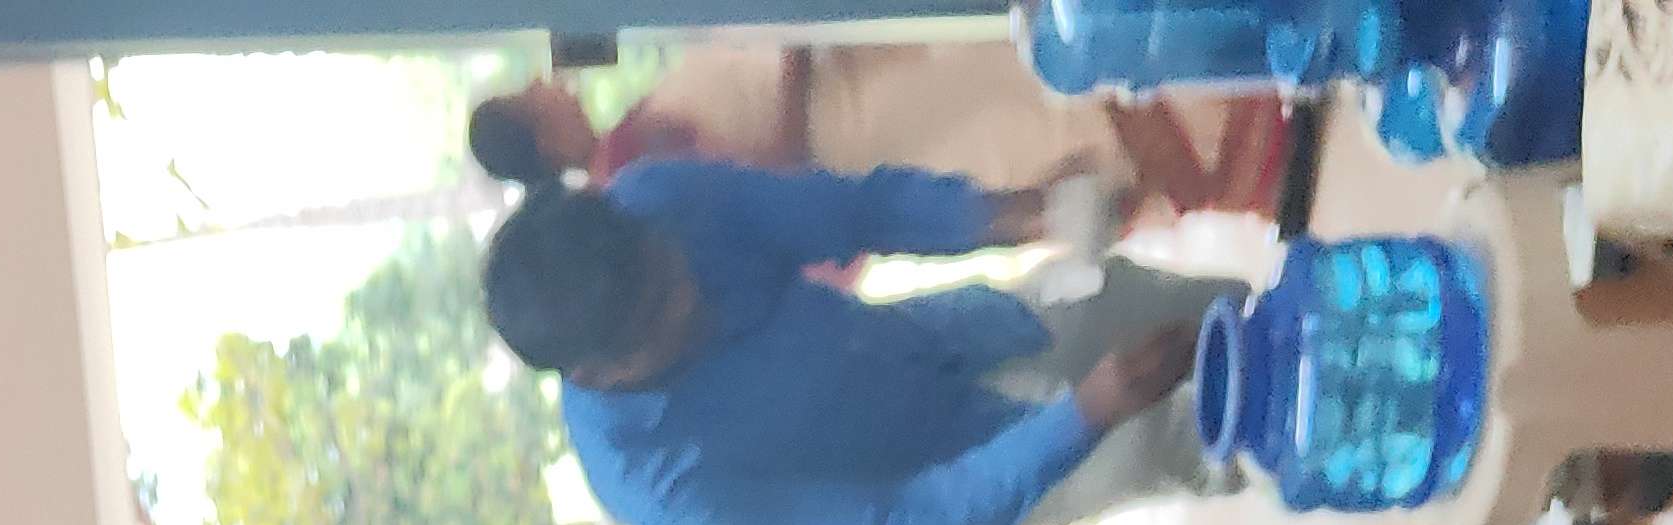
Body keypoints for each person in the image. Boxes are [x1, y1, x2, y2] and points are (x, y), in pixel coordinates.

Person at [481, 164, 1245, 525]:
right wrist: (1088, 414)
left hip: (948, 338)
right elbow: (894, 523)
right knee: (1173, 441)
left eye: (668, 266)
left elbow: (855, 211)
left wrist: (1027, 215)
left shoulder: (658, 199)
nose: (688, 296)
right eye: (660, 317)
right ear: (596, 374)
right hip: (968, 473)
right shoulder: (655, 479)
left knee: (1168, 302)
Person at [470, 50, 1284, 227]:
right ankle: (1241, 159)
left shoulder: (629, 149)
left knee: (1037, 93)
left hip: (859, 92)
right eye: (532, 97)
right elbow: (772, 189)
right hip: (859, 130)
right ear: (540, 138)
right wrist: (793, 54)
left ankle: (1240, 131)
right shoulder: (633, 171)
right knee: (1050, 113)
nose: (551, 85)